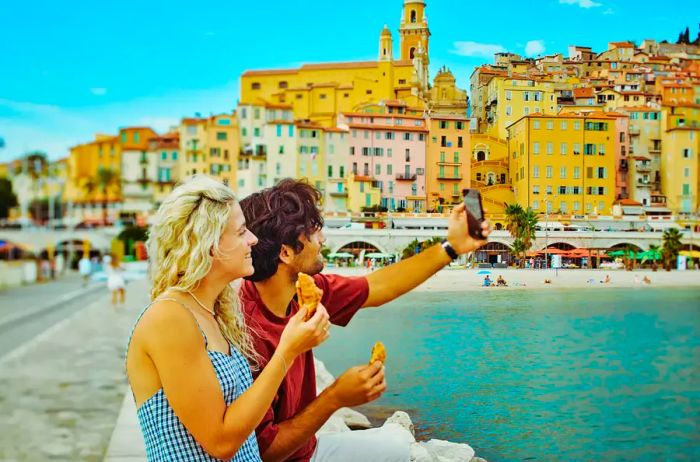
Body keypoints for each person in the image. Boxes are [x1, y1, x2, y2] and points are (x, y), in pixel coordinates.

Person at [239, 179, 490, 462]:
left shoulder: (305, 290)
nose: (322, 240)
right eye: (312, 233)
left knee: (398, 445)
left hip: (309, 448)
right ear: (285, 252)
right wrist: (335, 397)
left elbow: (378, 287)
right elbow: (265, 452)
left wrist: (452, 247)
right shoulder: (248, 334)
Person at [125, 175, 330, 461]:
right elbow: (221, 442)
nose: (253, 240)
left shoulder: (214, 311)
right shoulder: (169, 317)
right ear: (210, 245)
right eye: (242, 231)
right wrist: (287, 351)